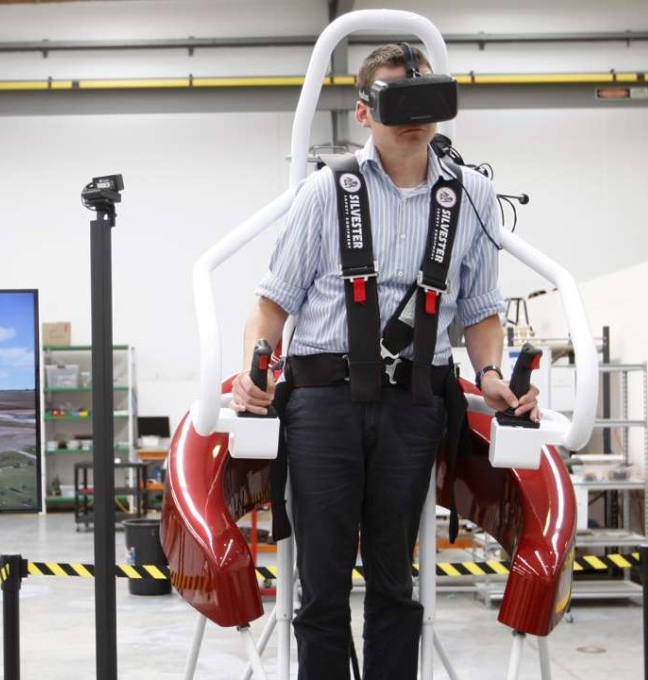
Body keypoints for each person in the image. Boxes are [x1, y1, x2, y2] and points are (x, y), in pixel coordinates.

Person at [230, 44, 540, 679]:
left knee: (396, 581)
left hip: (414, 405)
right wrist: (250, 372)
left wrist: (489, 376)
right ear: (366, 113)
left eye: (425, 97)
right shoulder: (326, 191)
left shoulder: (472, 198)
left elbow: (479, 310)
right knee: (321, 586)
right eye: (396, 99)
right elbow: (271, 307)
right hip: (322, 404)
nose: (413, 115)